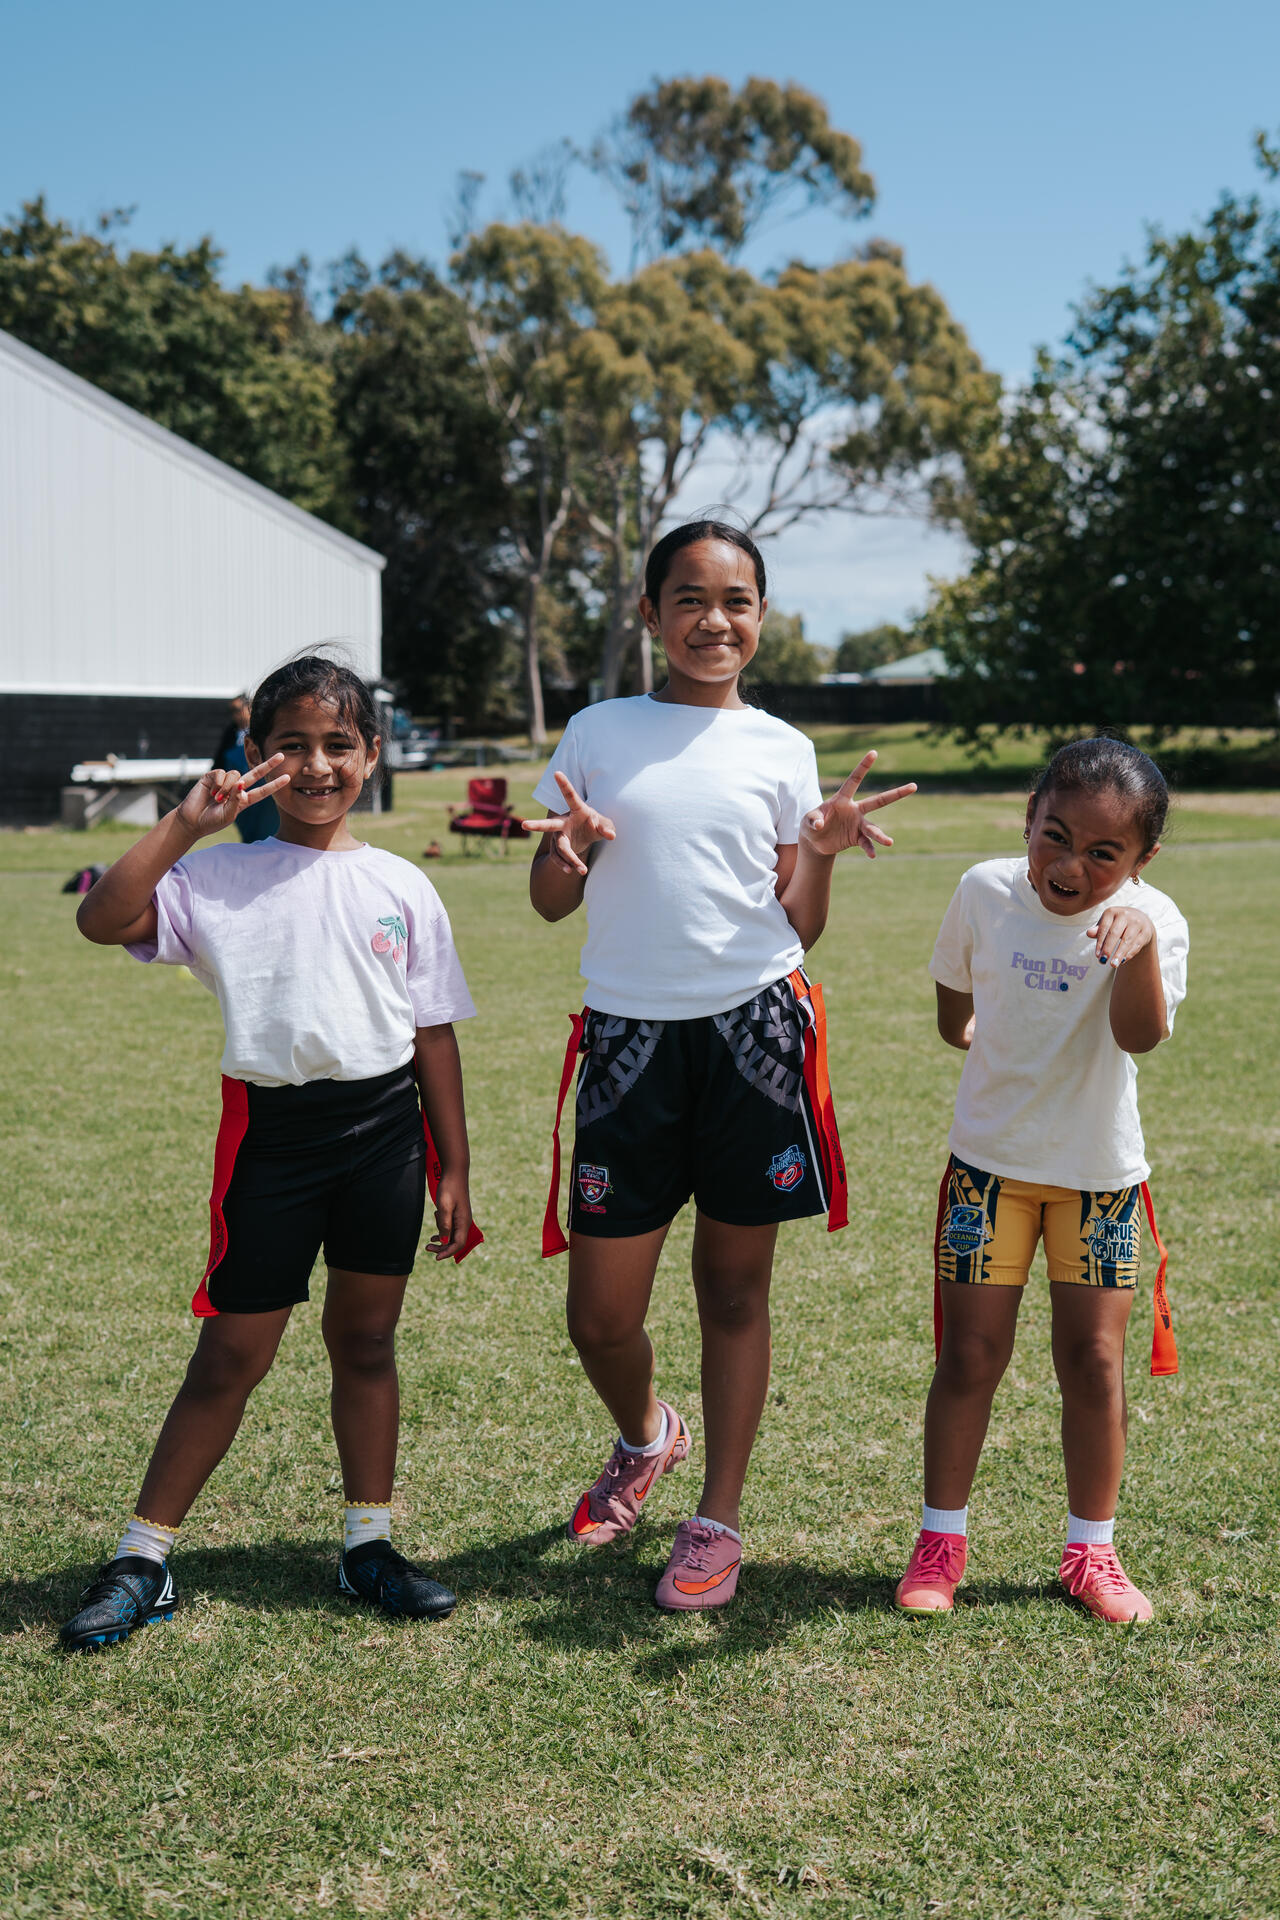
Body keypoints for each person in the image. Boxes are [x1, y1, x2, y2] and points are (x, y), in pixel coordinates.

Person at [524, 520, 916, 1611]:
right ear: (649, 615)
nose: (713, 620)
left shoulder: (781, 750)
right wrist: (566, 852)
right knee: (599, 1316)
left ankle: (718, 1516)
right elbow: (551, 901)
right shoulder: (598, 730)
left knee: (732, 1293)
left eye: (736, 600)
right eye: (688, 599)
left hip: (753, 1035)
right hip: (627, 1043)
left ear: (760, 617)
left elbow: (795, 921)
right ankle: (646, 1435)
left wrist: (824, 853)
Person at [59, 657, 478, 1652]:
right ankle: (142, 1559)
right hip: (272, 1140)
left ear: (371, 757)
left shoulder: (400, 884)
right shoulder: (215, 875)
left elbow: (433, 1034)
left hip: (384, 1135)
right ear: (257, 756)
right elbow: (101, 918)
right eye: (293, 744)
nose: (318, 765)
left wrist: (453, 1165)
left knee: (366, 1343)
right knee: (231, 1355)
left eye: (339, 745)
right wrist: (183, 824)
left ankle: (366, 1548)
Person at [895, 738, 1189, 1625]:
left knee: (1094, 1362)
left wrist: (1134, 948)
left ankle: (1091, 1550)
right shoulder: (984, 890)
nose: (1071, 865)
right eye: (1054, 836)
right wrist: (989, 1037)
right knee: (970, 1357)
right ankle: (939, 1541)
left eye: (1105, 854)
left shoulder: (1156, 919)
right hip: (988, 1172)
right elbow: (956, 1013)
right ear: (1028, 816)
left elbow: (1140, 1037)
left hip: (1098, 1181)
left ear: (1142, 860)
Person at [213, 693, 278, 844]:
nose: (234, 715)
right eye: (231, 712)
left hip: (262, 786)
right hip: (239, 787)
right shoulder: (230, 733)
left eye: (237, 710)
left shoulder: (263, 730)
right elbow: (220, 759)